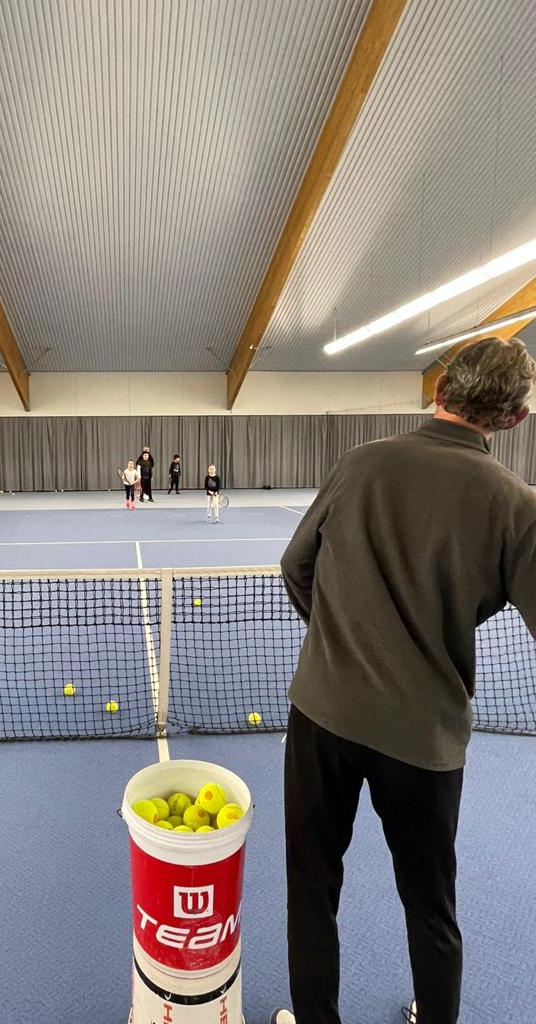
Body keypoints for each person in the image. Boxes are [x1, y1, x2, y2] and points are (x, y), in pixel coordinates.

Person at [272, 338, 536, 1024]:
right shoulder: (518, 505)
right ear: (515, 419)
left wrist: (338, 638)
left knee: (312, 887)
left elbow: (296, 566)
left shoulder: (362, 463)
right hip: (425, 741)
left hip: (323, 713)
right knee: (430, 902)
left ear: (439, 391)